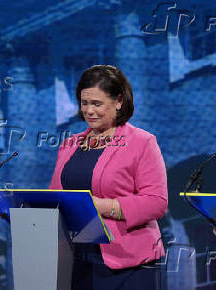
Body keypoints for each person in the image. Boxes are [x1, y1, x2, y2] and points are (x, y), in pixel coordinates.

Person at [49, 65, 168, 289]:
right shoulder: (69, 145)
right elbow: (56, 196)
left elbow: (156, 202)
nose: (89, 111)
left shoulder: (142, 142)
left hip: (131, 264)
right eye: (85, 103)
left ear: (119, 102)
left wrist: (101, 206)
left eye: (97, 104)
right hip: (79, 259)